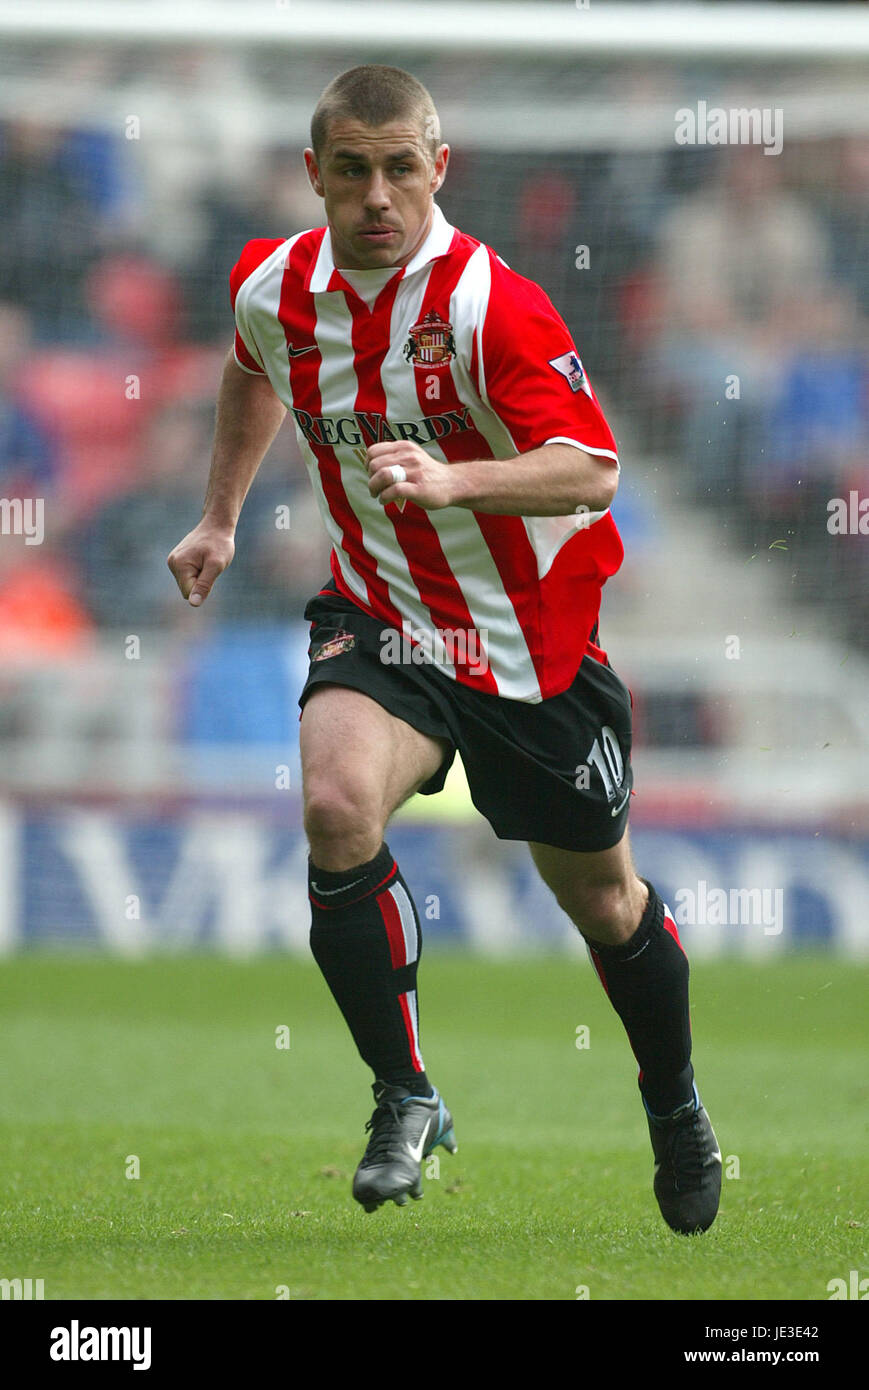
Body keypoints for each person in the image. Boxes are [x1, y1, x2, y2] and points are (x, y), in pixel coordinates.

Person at [167, 64, 721, 1235]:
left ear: (438, 168)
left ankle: (671, 1100)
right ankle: (403, 1094)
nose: (377, 194)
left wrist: (452, 474)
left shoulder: (492, 305)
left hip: (529, 648)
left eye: (399, 167)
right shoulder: (274, 286)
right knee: (332, 803)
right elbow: (249, 367)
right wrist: (219, 513)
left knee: (603, 902)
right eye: (352, 169)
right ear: (314, 172)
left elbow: (592, 467)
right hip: (380, 619)